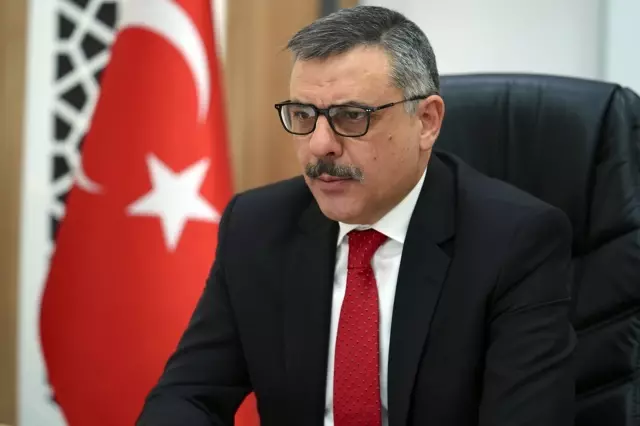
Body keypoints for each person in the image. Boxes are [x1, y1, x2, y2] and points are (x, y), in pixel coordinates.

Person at [137, 5, 576, 426]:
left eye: (351, 117)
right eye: (303, 115)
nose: (319, 145)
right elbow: (188, 394)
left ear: (426, 121)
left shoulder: (514, 243)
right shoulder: (256, 226)